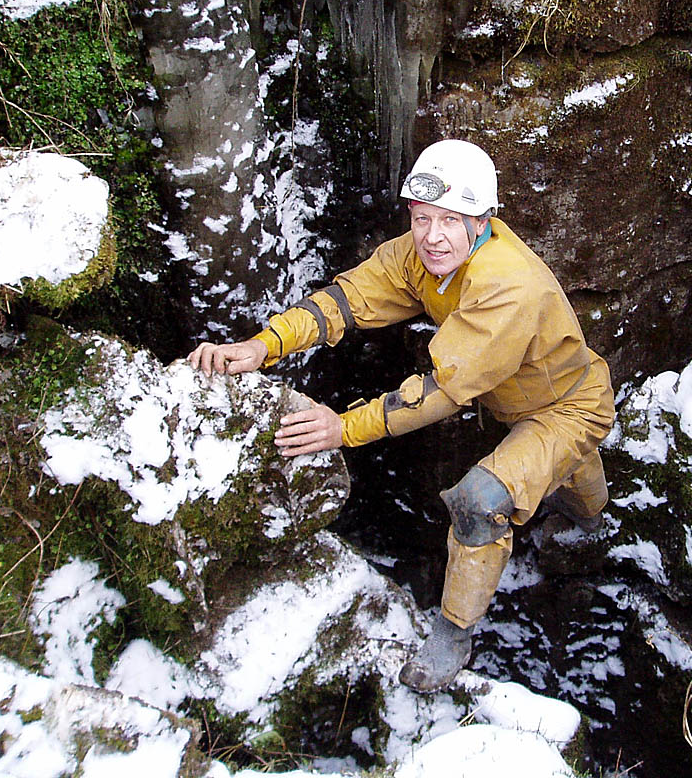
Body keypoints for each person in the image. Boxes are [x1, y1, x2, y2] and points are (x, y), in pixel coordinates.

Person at [188, 139, 615, 693]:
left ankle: (455, 633)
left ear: (482, 221)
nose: (432, 236)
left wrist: (342, 429)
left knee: (480, 499)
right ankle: (584, 513)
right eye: (422, 218)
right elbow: (346, 301)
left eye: (450, 220)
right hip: (511, 393)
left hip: (568, 406)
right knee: (557, 466)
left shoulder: (506, 285)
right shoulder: (422, 256)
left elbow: (442, 391)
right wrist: (263, 345)